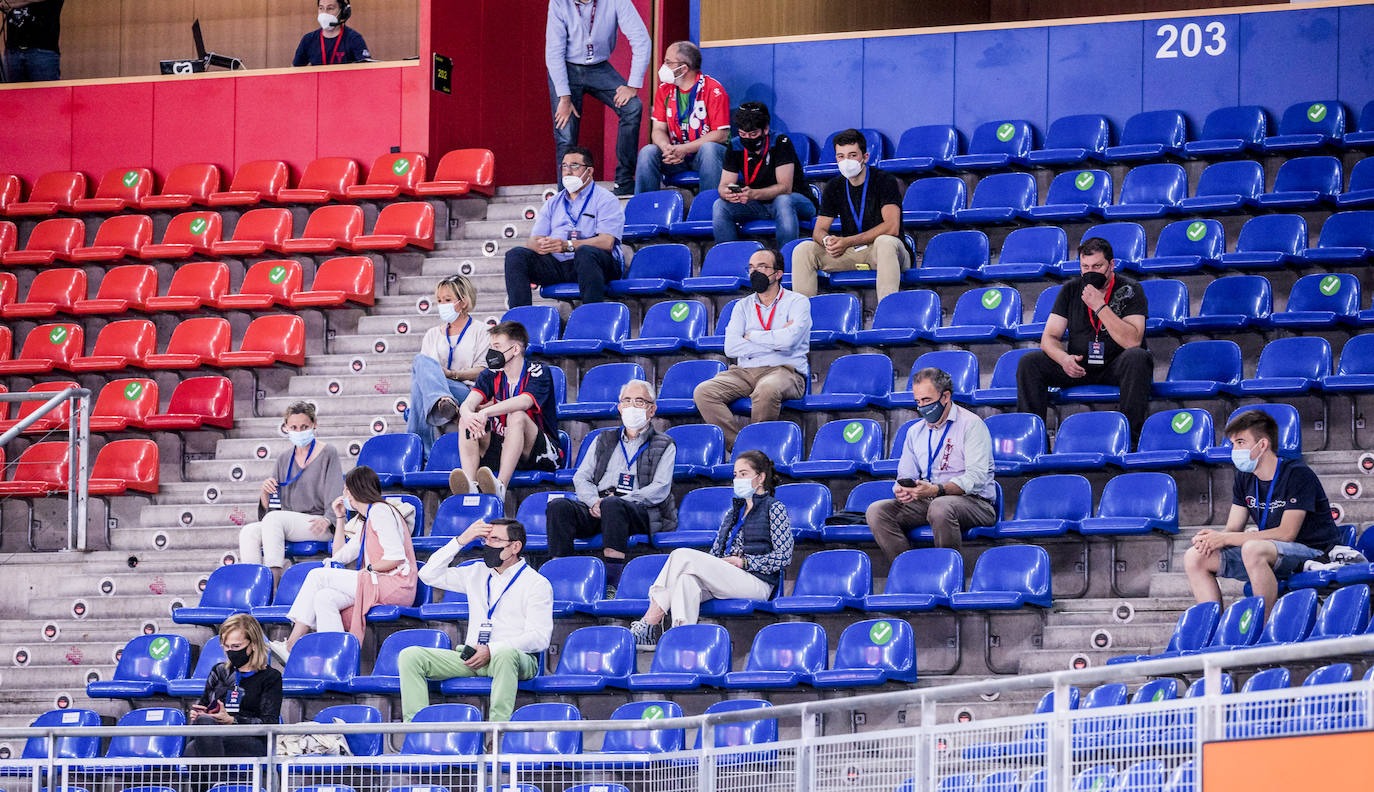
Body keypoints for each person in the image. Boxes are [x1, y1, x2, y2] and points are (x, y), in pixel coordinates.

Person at [1185, 410, 1342, 615]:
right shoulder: (1244, 477)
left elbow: (1287, 534)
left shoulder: (1297, 474)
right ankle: (1210, 628)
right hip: (1271, 551)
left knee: (1253, 548)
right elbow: (1233, 527)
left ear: (1263, 445)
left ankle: (1264, 629)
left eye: (1240, 442)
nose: (1235, 450)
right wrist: (1212, 539)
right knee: (1195, 556)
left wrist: (1226, 538)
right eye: (1233, 444)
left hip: (1314, 553)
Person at [629, 450, 792, 646]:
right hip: (728, 576)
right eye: (735, 475)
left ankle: (649, 621)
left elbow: (784, 556)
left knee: (681, 555)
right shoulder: (733, 513)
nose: (737, 479)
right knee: (685, 580)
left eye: (743, 474)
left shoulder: (775, 508)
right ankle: (679, 641)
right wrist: (718, 564)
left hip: (757, 581)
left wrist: (744, 562)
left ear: (761, 477)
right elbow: (715, 554)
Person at [399, 518, 552, 723]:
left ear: (515, 546)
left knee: (504, 654)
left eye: (495, 540)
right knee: (411, 656)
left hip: (516, 659)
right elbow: (428, 574)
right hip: (472, 656)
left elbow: (540, 638)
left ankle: (497, 732)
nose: (488, 546)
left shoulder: (536, 583)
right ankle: (416, 731)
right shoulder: (477, 572)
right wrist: (461, 540)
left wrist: (493, 649)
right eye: (486, 540)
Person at [269, 466, 417, 660]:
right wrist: (339, 518)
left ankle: (292, 645)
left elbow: (395, 556)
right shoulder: (368, 518)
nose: (343, 494)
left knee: (317, 576)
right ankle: (335, 658)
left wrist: (369, 569)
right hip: (376, 582)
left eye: (345, 489)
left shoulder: (381, 512)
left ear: (353, 490)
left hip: (395, 584)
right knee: (324, 597)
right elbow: (341, 554)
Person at [1016, 237, 1153, 441]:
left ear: (1111, 265)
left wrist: (1099, 306)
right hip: (1079, 365)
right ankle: (1033, 441)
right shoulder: (1071, 289)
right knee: (1030, 363)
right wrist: (1064, 359)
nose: (1091, 272)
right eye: (1085, 266)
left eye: (1097, 266)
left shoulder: (1131, 289)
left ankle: (1129, 441)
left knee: (1138, 357)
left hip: (1115, 366)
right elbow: (1050, 337)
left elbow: (1132, 341)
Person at [547, 379, 676, 594]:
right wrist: (593, 501)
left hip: (638, 511)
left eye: (639, 401)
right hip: (599, 504)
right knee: (559, 507)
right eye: (626, 401)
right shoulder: (603, 439)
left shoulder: (664, 443)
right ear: (619, 407)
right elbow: (581, 477)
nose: (631, 406)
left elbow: (659, 489)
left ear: (652, 410)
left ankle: (611, 585)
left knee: (614, 506)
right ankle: (562, 579)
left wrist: (612, 503)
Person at [864, 367, 997, 560]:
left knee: (941, 507)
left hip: (975, 502)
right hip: (930, 500)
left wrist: (937, 490)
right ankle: (910, 572)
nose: (922, 407)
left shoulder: (971, 425)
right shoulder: (914, 431)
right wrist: (902, 489)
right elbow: (905, 475)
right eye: (917, 401)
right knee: (877, 511)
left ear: (945, 397)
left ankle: (946, 575)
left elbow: (976, 479)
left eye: (927, 400)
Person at [693, 248, 810, 448]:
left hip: (785, 371)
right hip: (744, 372)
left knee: (766, 389)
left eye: (762, 267)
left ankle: (759, 452)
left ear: (778, 273)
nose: (755, 272)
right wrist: (774, 342)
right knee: (703, 391)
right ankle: (743, 447)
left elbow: (789, 342)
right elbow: (731, 347)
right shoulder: (742, 306)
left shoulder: (797, 302)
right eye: (751, 268)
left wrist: (752, 336)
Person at [448, 321, 562, 502]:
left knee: (517, 415)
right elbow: (469, 403)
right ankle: (471, 485)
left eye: (497, 346)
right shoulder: (490, 374)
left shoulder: (539, 371)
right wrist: (468, 414)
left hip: (542, 453)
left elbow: (525, 401)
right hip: (506, 447)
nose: (492, 352)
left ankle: (500, 485)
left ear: (515, 349)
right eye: (491, 346)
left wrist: (485, 412)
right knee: (467, 422)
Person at [790, 128, 909, 302]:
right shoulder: (834, 186)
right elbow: (819, 230)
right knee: (804, 249)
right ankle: (802, 318)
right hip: (852, 251)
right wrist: (827, 241)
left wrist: (847, 241)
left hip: (885, 252)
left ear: (865, 157)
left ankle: (887, 311)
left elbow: (892, 227)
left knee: (886, 242)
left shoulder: (884, 180)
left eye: (852, 155)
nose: (846, 161)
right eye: (841, 156)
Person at [545, 0, 650, 195]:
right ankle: (565, 193)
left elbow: (641, 39)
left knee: (632, 106)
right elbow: (553, 52)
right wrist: (564, 97)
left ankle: (624, 182)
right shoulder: (558, 3)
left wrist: (633, 85)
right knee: (566, 133)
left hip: (599, 67)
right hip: (566, 67)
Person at [237, 402, 344, 587]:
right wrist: (265, 492)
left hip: (318, 523)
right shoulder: (284, 459)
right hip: (287, 523)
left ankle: (274, 584)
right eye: (294, 427)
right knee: (248, 532)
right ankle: (255, 587)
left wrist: (328, 519)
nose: (299, 431)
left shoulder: (328, 453)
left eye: (304, 427)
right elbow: (272, 509)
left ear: (314, 424)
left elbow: (336, 495)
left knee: (274, 520)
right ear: (286, 427)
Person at [504, 146, 625, 308]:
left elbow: (607, 242)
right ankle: (520, 322)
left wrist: (568, 246)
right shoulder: (553, 202)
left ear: (589, 171)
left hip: (597, 264)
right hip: (559, 265)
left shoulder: (606, 199)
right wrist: (542, 245)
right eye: (564, 166)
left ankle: (592, 317)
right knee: (516, 255)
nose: (568, 171)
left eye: (574, 166)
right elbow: (532, 241)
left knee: (585, 252)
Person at [408, 275, 492, 455]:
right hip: (438, 393)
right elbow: (424, 372)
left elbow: (484, 371)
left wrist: (452, 374)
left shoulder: (482, 330)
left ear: (463, 302)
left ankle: (421, 454)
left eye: (447, 300)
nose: (442, 305)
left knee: (421, 386)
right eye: (439, 300)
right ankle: (443, 401)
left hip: (469, 392)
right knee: (420, 363)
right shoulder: (432, 334)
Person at [712, 101, 816, 245]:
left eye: (753, 134)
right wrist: (727, 193)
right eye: (743, 134)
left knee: (783, 200)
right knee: (720, 205)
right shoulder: (735, 145)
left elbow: (785, 188)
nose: (747, 138)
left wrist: (753, 194)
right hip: (759, 204)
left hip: (796, 201)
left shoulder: (780, 142)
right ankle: (729, 259)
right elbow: (724, 184)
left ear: (765, 129)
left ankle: (785, 259)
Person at [634, 40, 729, 194]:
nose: (663, 66)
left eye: (668, 62)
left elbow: (721, 135)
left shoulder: (713, 89)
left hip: (704, 157)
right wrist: (667, 148)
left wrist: (684, 149)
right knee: (648, 152)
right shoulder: (664, 90)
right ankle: (645, 209)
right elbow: (658, 129)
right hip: (675, 156)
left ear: (684, 68)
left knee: (709, 150)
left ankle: (708, 209)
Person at [184, 614, 282, 759]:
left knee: (193, 749)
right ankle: (220, 781)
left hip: (252, 740)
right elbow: (205, 706)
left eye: (236, 646)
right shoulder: (219, 671)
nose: (230, 651)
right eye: (226, 647)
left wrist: (231, 720)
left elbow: (269, 722)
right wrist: (200, 714)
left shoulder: (271, 677)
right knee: (202, 727)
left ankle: (216, 781)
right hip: (215, 735)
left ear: (253, 644)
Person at [292, 0, 370, 67]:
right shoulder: (308, 39)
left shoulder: (354, 38)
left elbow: (366, 69)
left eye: (330, 8)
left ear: (342, 11)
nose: (324, 13)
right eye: (321, 8)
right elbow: (295, 70)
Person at [2, 0, 62, 82]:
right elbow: (3, 3)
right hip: (13, 50)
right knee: (13, 93)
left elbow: (6, 3)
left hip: (43, 49)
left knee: (45, 93)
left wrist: (11, 3)